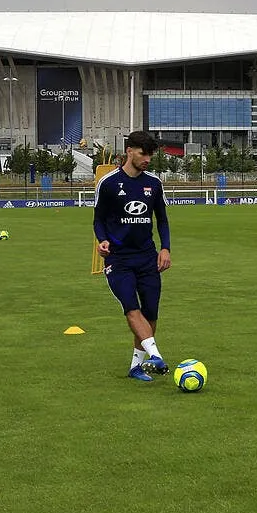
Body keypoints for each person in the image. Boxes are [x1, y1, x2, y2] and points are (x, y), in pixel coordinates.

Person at [93, 130, 172, 382]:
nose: (147, 159)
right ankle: (156, 356)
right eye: (143, 153)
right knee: (131, 307)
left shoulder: (154, 184)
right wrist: (102, 239)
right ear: (129, 151)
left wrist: (165, 248)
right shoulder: (108, 183)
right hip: (119, 259)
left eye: (150, 154)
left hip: (148, 258)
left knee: (151, 314)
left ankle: (136, 366)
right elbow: (98, 220)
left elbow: (162, 220)